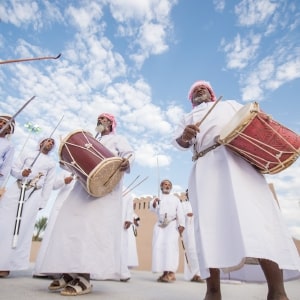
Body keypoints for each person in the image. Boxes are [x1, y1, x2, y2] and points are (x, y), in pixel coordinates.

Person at [172, 80, 300, 300]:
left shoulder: (229, 104)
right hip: (206, 169)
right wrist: (185, 136)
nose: (200, 90)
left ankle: (277, 292)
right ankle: (213, 292)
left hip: (240, 163)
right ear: (191, 99)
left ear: (212, 94)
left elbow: (254, 120)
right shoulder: (187, 118)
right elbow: (180, 142)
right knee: (210, 228)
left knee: (260, 221)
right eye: (195, 90)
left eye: (204, 88)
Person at [35, 113, 134, 296]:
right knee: (70, 225)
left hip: (105, 189)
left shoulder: (118, 139)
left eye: (105, 120)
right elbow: (72, 163)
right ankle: (69, 272)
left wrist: (127, 161)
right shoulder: (89, 138)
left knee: (91, 229)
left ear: (112, 124)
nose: (101, 122)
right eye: (99, 120)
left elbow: (129, 155)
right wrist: (65, 161)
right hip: (82, 187)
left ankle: (84, 277)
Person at [0, 137, 56, 278]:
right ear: (41, 142)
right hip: (16, 190)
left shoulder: (51, 163)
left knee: (20, 229)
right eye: (48, 140)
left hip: (33, 195)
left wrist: (42, 203)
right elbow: (13, 169)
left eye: (53, 143)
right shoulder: (27, 153)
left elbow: (48, 184)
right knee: (4, 224)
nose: (50, 143)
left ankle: (6, 266)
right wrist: (21, 173)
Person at [33, 171, 74, 278]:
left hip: (74, 210)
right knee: (51, 236)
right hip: (59, 207)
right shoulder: (66, 171)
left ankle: (59, 271)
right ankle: (41, 269)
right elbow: (54, 185)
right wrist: (64, 181)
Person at [150, 179, 185, 283]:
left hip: (172, 225)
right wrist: (155, 203)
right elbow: (152, 208)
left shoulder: (175, 199)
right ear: (161, 186)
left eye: (169, 184)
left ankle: (171, 273)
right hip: (160, 225)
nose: (167, 186)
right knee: (159, 247)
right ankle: (165, 273)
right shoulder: (157, 198)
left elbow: (180, 212)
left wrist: (181, 225)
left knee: (170, 247)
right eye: (165, 184)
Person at [181, 189, 205, 283]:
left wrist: (195, 215)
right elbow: (179, 215)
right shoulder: (183, 204)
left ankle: (198, 274)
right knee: (189, 251)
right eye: (188, 192)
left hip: (197, 230)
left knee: (197, 251)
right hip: (187, 231)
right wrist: (186, 215)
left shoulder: (199, 203)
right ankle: (191, 274)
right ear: (186, 194)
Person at [0, 114, 16, 198]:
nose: (1, 124)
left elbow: (6, 165)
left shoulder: (9, 145)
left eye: (5, 123)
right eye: (0, 121)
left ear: (9, 130)